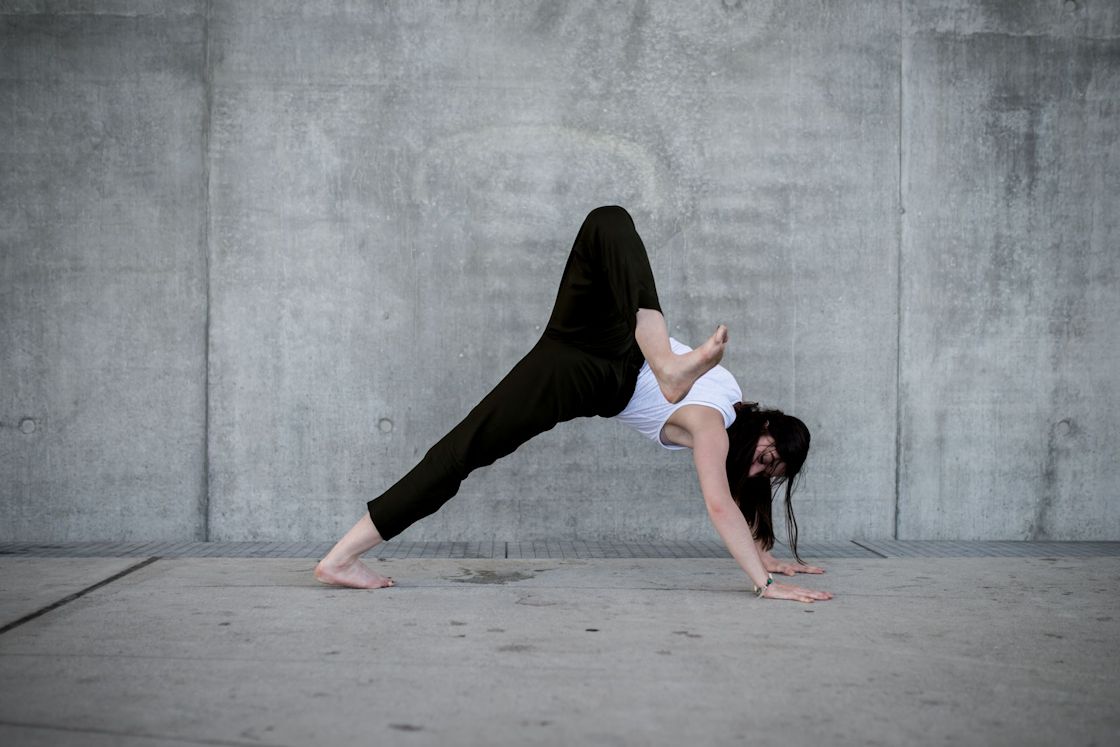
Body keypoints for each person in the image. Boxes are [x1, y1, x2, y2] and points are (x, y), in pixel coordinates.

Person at [315, 206, 832, 603]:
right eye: (768, 455)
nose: (761, 468)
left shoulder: (711, 431)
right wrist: (763, 552)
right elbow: (741, 498)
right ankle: (665, 363)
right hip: (605, 334)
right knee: (607, 219)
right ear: (768, 422)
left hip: (589, 378)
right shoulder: (731, 396)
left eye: (770, 472)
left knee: (461, 452)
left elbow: (721, 503)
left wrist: (764, 579)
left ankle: (343, 556)